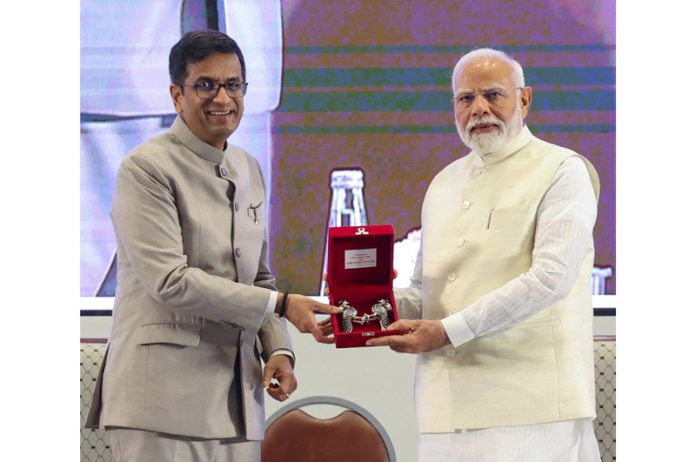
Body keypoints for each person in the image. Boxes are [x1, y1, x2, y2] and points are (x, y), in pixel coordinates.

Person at [85, 29, 339, 461]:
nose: (222, 98)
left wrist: (277, 349)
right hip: (160, 404)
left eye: (233, 84)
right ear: (176, 95)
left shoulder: (247, 166)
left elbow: (258, 277)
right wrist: (281, 305)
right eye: (205, 84)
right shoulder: (146, 169)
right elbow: (171, 282)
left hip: (238, 402)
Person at [367, 48, 602, 461]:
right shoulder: (444, 182)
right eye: (465, 99)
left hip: (531, 406)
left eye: (493, 95)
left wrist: (447, 331)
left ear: (524, 100)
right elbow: (426, 291)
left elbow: (550, 279)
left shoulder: (563, 170)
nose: (479, 109)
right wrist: (363, 307)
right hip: (444, 406)